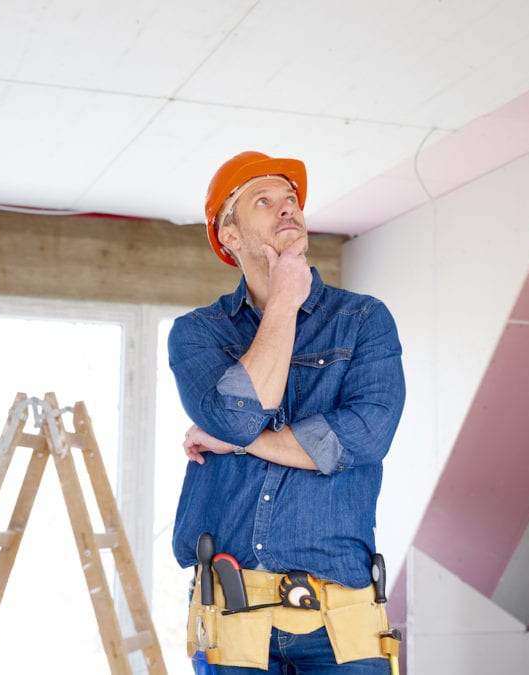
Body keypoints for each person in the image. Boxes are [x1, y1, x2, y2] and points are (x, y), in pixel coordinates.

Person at [168, 151, 406, 674]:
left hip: (342, 611)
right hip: (231, 610)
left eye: (292, 200)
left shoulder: (364, 320)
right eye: (264, 201)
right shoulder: (198, 333)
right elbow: (235, 416)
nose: (287, 210)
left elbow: (365, 436)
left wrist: (240, 441)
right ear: (228, 236)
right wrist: (283, 303)